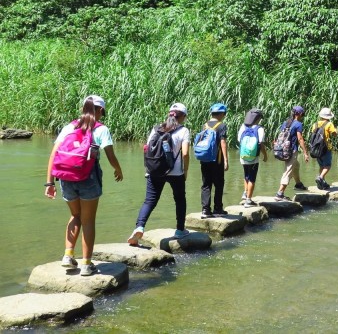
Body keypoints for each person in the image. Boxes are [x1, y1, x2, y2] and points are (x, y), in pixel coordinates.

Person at [45, 95, 123, 277]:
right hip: (88, 177)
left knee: (75, 215)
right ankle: (87, 265)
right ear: (100, 111)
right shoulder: (101, 129)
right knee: (88, 220)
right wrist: (118, 170)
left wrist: (49, 182)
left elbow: (53, 154)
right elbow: (111, 156)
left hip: (65, 177)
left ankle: (68, 255)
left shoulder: (69, 127)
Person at [128, 103, 191, 245]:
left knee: (149, 201)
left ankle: (139, 227)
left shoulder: (157, 128)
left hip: (155, 169)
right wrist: (185, 170)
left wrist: (149, 168)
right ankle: (180, 230)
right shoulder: (184, 131)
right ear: (183, 117)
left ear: (169, 114)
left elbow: (147, 148)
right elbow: (185, 154)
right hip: (175, 172)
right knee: (180, 199)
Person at [198, 103, 230, 219]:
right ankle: (218, 209)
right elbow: (223, 142)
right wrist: (226, 160)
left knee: (206, 184)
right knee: (219, 184)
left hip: (205, 159)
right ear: (222, 114)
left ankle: (205, 210)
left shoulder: (205, 125)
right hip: (217, 160)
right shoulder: (221, 126)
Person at [274, 106, 310, 200]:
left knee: (296, 165)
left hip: (282, 150)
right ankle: (280, 193)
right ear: (300, 114)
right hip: (291, 151)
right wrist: (306, 153)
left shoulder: (285, 123)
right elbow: (300, 139)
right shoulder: (298, 124)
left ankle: (298, 184)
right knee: (288, 171)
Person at [238, 108, 267, 208]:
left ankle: (245, 194)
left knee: (246, 175)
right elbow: (261, 144)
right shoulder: (259, 129)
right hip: (254, 157)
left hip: (243, 156)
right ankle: (248, 200)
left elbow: (239, 140)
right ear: (257, 118)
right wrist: (265, 155)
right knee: (252, 178)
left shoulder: (243, 127)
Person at [311, 107, 337, 190]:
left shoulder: (315, 124)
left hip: (316, 148)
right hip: (326, 148)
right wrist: (336, 131)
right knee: (328, 165)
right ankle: (320, 177)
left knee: (321, 165)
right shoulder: (329, 124)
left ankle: (322, 183)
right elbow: (334, 134)